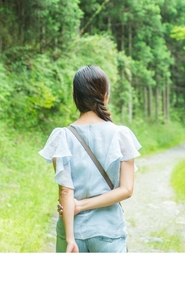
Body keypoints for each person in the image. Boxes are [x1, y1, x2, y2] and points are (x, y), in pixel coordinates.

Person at [39, 65, 141, 253]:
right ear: (105, 95)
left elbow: (65, 191)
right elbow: (126, 190)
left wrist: (70, 239)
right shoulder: (121, 135)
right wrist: (83, 205)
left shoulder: (63, 137)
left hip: (72, 230)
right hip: (108, 230)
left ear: (74, 96)